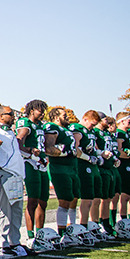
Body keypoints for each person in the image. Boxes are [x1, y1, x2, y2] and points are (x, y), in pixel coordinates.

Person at [0, 106, 28, 256]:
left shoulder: (11, 132)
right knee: (3, 209)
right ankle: (2, 243)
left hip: (15, 173)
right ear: (0, 116)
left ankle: (15, 241)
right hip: (3, 171)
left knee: (16, 209)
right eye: (10, 114)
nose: (13, 116)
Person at [15, 100, 50, 241]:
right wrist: (30, 153)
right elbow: (19, 142)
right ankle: (30, 236)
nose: (42, 113)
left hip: (41, 163)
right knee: (33, 200)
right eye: (40, 110)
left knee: (43, 200)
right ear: (31, 110)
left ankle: (40, 233)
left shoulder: (41, 125)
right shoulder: (25, 123)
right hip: (30, 163)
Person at [43, 107, 80, 235]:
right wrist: (64, 153)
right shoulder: (52, 127)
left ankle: (73, 228)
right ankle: (62, 232)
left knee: (74, 199)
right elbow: (48, 148)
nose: (67, 117)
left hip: (72, 167)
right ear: (56, 117)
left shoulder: (67, 129)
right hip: (60, 168)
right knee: (64, 201)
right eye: (64, 115)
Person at [68, 110, 106, 228]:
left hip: (92, 167)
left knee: (96, 199)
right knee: (85, 199)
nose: (93, 127)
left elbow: (94, 148)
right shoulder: (77, 128)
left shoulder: (91, 131)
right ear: (85, 119)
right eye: (92, 124)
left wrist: (102, 154)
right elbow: (75, 149)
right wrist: (88, 158)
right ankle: (80, 226)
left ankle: (94, 226)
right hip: (81, 165)